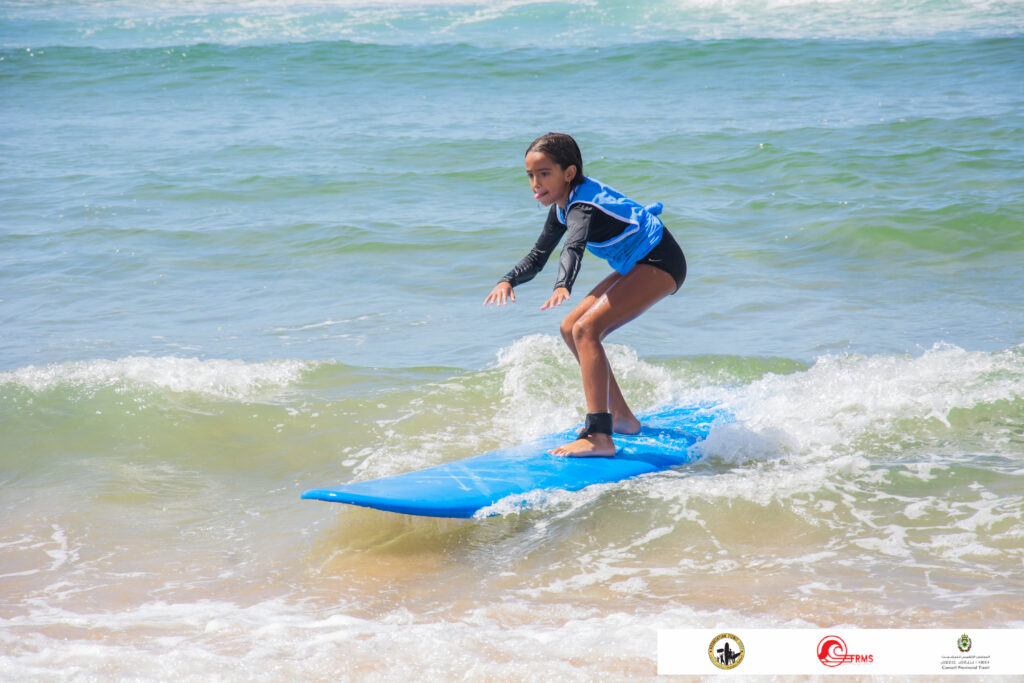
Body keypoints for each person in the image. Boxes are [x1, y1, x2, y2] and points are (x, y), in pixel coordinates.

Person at [483, 132, 687, 457]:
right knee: (570, 328)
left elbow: (573, 247)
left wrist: (564, 284)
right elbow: (538, 257)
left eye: (544, 173)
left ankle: (599, 437)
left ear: (569, 173)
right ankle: (621, 418)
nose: (536, 183)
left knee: (586, 330)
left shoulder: (582, 206)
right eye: (531, 176)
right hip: (636, 263)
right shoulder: (561, 207)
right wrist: (508, 280)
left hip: (660, 260)